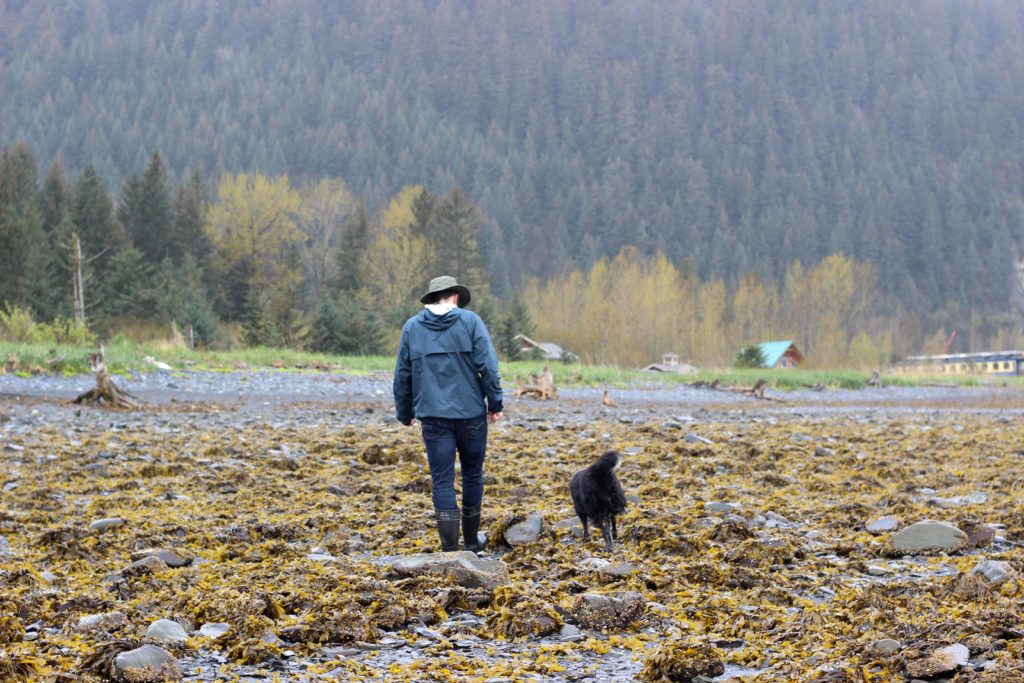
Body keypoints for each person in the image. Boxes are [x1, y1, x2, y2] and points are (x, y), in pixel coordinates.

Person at [393, 275, 503, 553]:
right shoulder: (471, 322)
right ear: (455, 297)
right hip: (471, 415)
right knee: (472, 475)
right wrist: (496, 403)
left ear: (431, 298)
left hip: (432, 416)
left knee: (442, 479)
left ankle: (450, 548)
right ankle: (471, 544)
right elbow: (488, 366)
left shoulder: (412, 327)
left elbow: (402, 375)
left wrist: (404, 412)